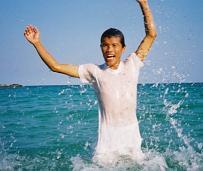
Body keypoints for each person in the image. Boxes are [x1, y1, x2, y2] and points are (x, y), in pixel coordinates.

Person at [24, 0, 157, 165]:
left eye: (114, 45)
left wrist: (143, 3)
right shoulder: (94, 71)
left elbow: (151, 35)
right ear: (100, 47)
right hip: (107, 143)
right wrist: (37, 43)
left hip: (131, 138)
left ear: (123, 48)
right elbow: (55, 66)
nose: (109, 50)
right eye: (105, 46)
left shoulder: (132, 64)